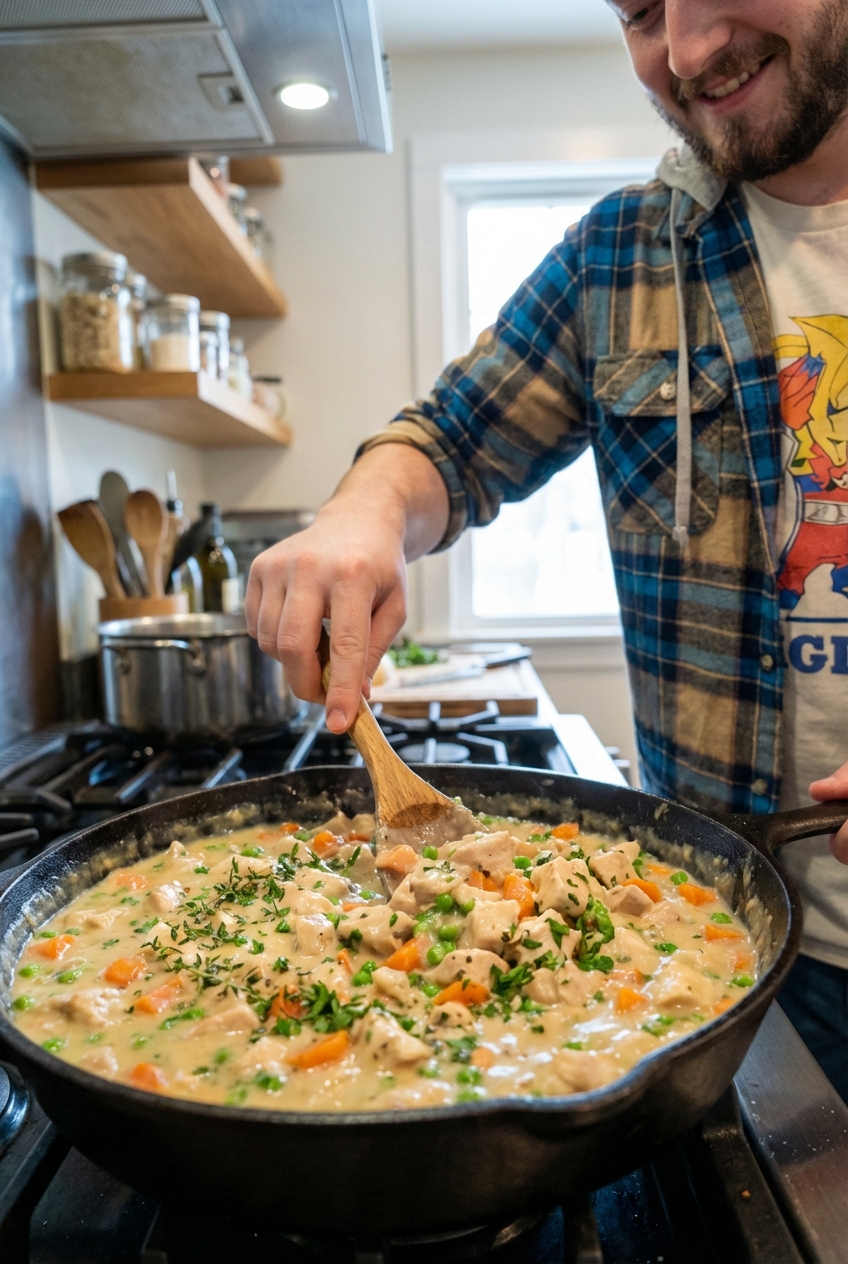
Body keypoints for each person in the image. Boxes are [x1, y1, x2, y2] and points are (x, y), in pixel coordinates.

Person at [246, 0, 848, 1099]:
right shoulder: (621, 257)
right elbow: (451, 441)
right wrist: (362, 514)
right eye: (637, 12)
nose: (683, 50)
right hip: (713, 953)